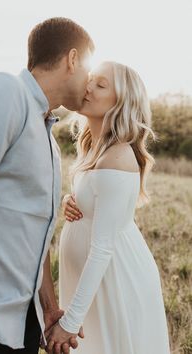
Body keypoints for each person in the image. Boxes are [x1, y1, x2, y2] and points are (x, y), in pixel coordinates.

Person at [0, 17, 94, 354]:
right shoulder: (6, 91)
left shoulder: (48, 139)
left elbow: (34, 233)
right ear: (72, 60)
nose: (90, 85)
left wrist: (47, 307)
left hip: (21, 325)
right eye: (90, 73)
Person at [45, 61, 171, 354]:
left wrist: (71, 322)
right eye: (91, 79)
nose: (88, 86)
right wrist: (71, 201)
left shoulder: (117, 156)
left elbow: (102, 248)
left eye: (101, 85)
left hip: (115, 281)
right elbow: (98, 202)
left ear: (121, 103)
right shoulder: (93, 148)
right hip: (93, 282)